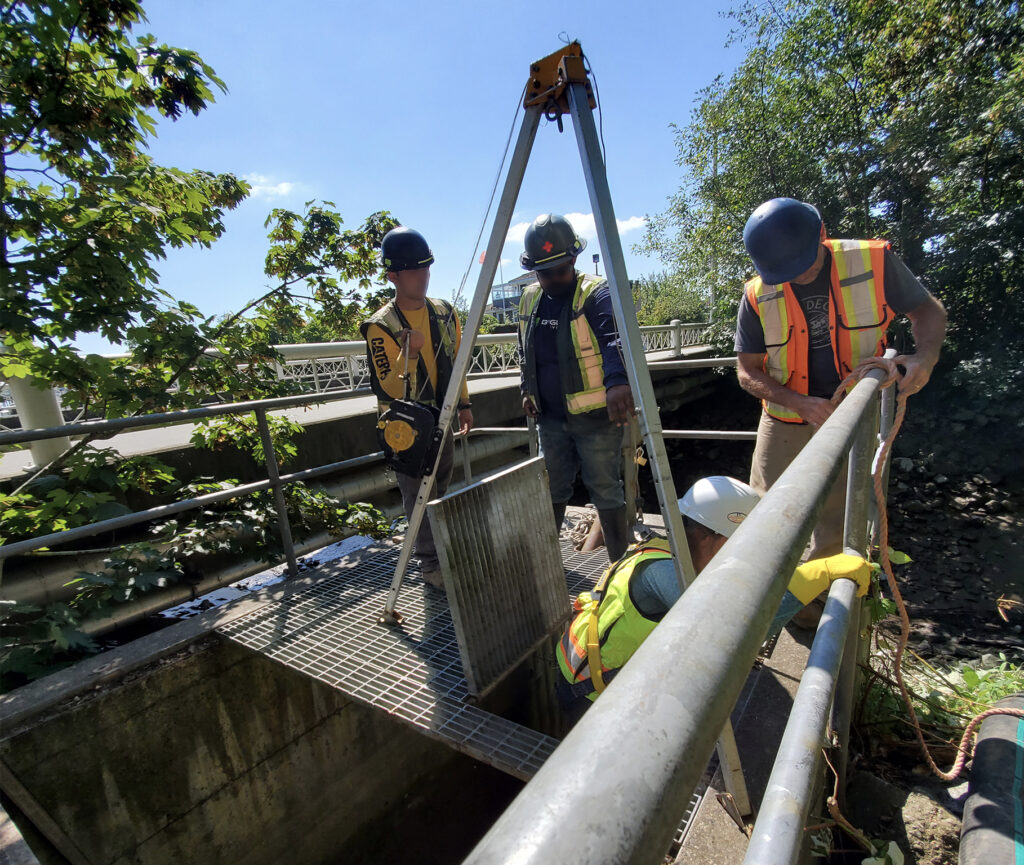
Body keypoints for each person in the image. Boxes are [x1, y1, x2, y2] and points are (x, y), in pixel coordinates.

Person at [735, 198, 947, 569]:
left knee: (836, 520)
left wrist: (924, 358)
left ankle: (814, 609)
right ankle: (764, 595)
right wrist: (800, 402)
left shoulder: (873, 262)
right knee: (762, 511)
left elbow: (928, 310)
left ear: (822, 234)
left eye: (801, 265)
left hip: (850, 413)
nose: (796, 276)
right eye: (784, 271)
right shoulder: (756, 294)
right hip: (784, 419)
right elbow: (747, 371)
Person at [555, 476, 872, 721]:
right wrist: (811, 578)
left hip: (592, 668)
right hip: (590, 691)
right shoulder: (662, 576)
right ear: (713, 538)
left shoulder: (675, 550)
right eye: (741, 544)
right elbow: (739, 634)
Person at [517, 214, 635, 562]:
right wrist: (527, 388)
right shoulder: (529, 299)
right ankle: (546, 568)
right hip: (549, 419)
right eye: (544, 273)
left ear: (574, 260)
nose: (553, 279)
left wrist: (616, 382)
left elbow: (615, 338)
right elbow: (524, 349)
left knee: (605, 491)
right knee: (551, 489)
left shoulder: (596, 292)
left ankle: (618, 569)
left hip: (597, 419)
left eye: (561, 271)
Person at [361, 226, 473, 588]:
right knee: (418, 496)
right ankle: (430, 566)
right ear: (393, 276)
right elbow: (388, 385)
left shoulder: (444, 312)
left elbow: (457, 362)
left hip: (442, 418)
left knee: (440, 487)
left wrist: (465, 404)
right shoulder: (383, 326)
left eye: (426, 268)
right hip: (405, 429)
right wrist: (408, 354)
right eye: (413, 271)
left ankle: (443, 553)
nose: (422, 277)